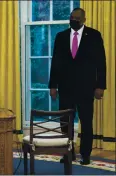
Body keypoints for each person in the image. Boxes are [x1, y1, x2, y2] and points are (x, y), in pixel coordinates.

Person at [49, 8, 106, 165]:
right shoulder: (61, 37)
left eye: (77, 18)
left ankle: (85, 155)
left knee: (86, 122)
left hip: (86, 88)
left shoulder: (94, 36)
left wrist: (100, 86)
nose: (73, 20)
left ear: (84, 20)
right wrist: (52, 85)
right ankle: (68, 153)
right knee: (65, 122)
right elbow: (56, 62)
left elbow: (101, 63)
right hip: (65, 87)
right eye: (71, 17)